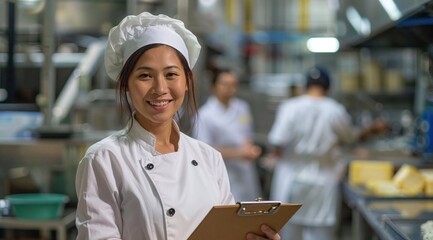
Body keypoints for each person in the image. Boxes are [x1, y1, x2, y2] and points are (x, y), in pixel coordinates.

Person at [75, 12, 280, 240]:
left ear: (187, 82)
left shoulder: (209, 158)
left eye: (171, 74)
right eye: (145, 76)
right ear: (125, 84)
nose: (160, 88)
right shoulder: (105, 159)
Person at [267, 66, 387, 240]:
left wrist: (279, 153)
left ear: (305, 86)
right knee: (320, 234)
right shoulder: (334, 109)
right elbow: (350, 137)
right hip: (323, 180)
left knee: (288, 234)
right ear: (329, 88)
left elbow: (277, 141)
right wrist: (372, 129)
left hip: (292, 179)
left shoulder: (290, 107)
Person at [192, 69, 262, 201]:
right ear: (213, 87)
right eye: (225, 84)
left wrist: (249, 149)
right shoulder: (204, 115)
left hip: (244, 169)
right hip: (222, 170)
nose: (230, 89)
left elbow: (247, 133)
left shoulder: (242, 107)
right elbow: (205, 149)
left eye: (233, 84)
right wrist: (240, 153)